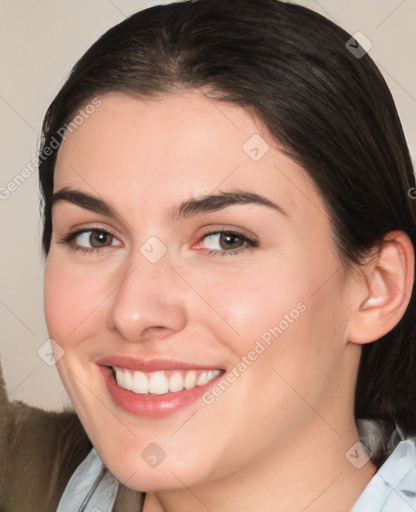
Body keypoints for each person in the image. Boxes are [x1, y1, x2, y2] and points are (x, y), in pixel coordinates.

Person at [38, 0, 416, 511]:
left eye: (225, 240)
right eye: (96, 237)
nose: (133, 312)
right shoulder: (3, 475)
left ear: (377, 286)